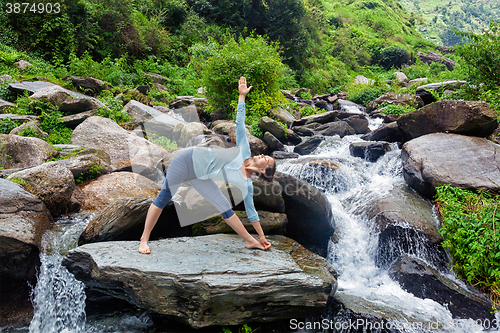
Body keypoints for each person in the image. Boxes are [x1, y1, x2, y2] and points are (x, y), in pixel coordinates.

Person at [139, 76, 276, 254]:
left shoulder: (247, 185)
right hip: (186, 160)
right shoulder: (244, 150)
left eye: (266, 159)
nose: (263, 154)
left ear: (263, 170)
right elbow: (240, 123)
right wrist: (242, 96)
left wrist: (262, 236)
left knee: (225, 208)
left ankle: (251, 242)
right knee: (164, 197)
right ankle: (144, 238)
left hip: (199, 176)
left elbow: (252, 213)